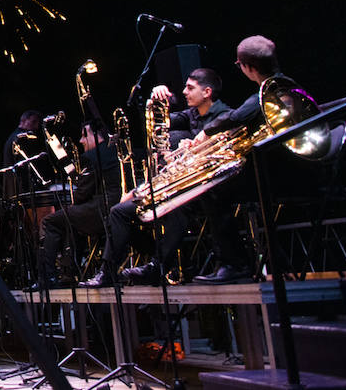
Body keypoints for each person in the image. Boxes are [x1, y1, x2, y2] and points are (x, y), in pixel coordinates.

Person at [82, 67, 238, 287]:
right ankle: (108, 272)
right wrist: (160, 99)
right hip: (183, 186)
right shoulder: (192, 114)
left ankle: (160, 265)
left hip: (210, 190)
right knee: (119, 212)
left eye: (190, 88)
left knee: (176, 205)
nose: (185, 91)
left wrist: (189, 150)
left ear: (207, 92)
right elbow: (160, 124)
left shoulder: (224, 116)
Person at [34, 123, 118, 289]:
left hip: (100, 210)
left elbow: (81, 195)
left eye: (84, 136)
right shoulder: (116, 150)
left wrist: (77, 181)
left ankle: (49, 278)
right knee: (69, 218)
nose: (81, 141)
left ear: (96, 136)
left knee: (51, 221)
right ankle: (71, 269)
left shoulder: (93, 156)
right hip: (117, 205)